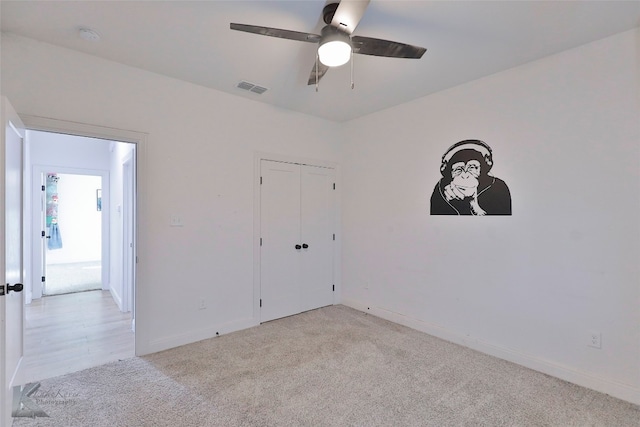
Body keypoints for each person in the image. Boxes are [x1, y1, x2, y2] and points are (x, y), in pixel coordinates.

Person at [430, 139, 511, 215]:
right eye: (458, 169)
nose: (465, 175)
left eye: (472, 167)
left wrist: (473, 205)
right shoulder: (441, 188)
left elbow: (502, 221)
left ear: (482, 169)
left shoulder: (498, 186)